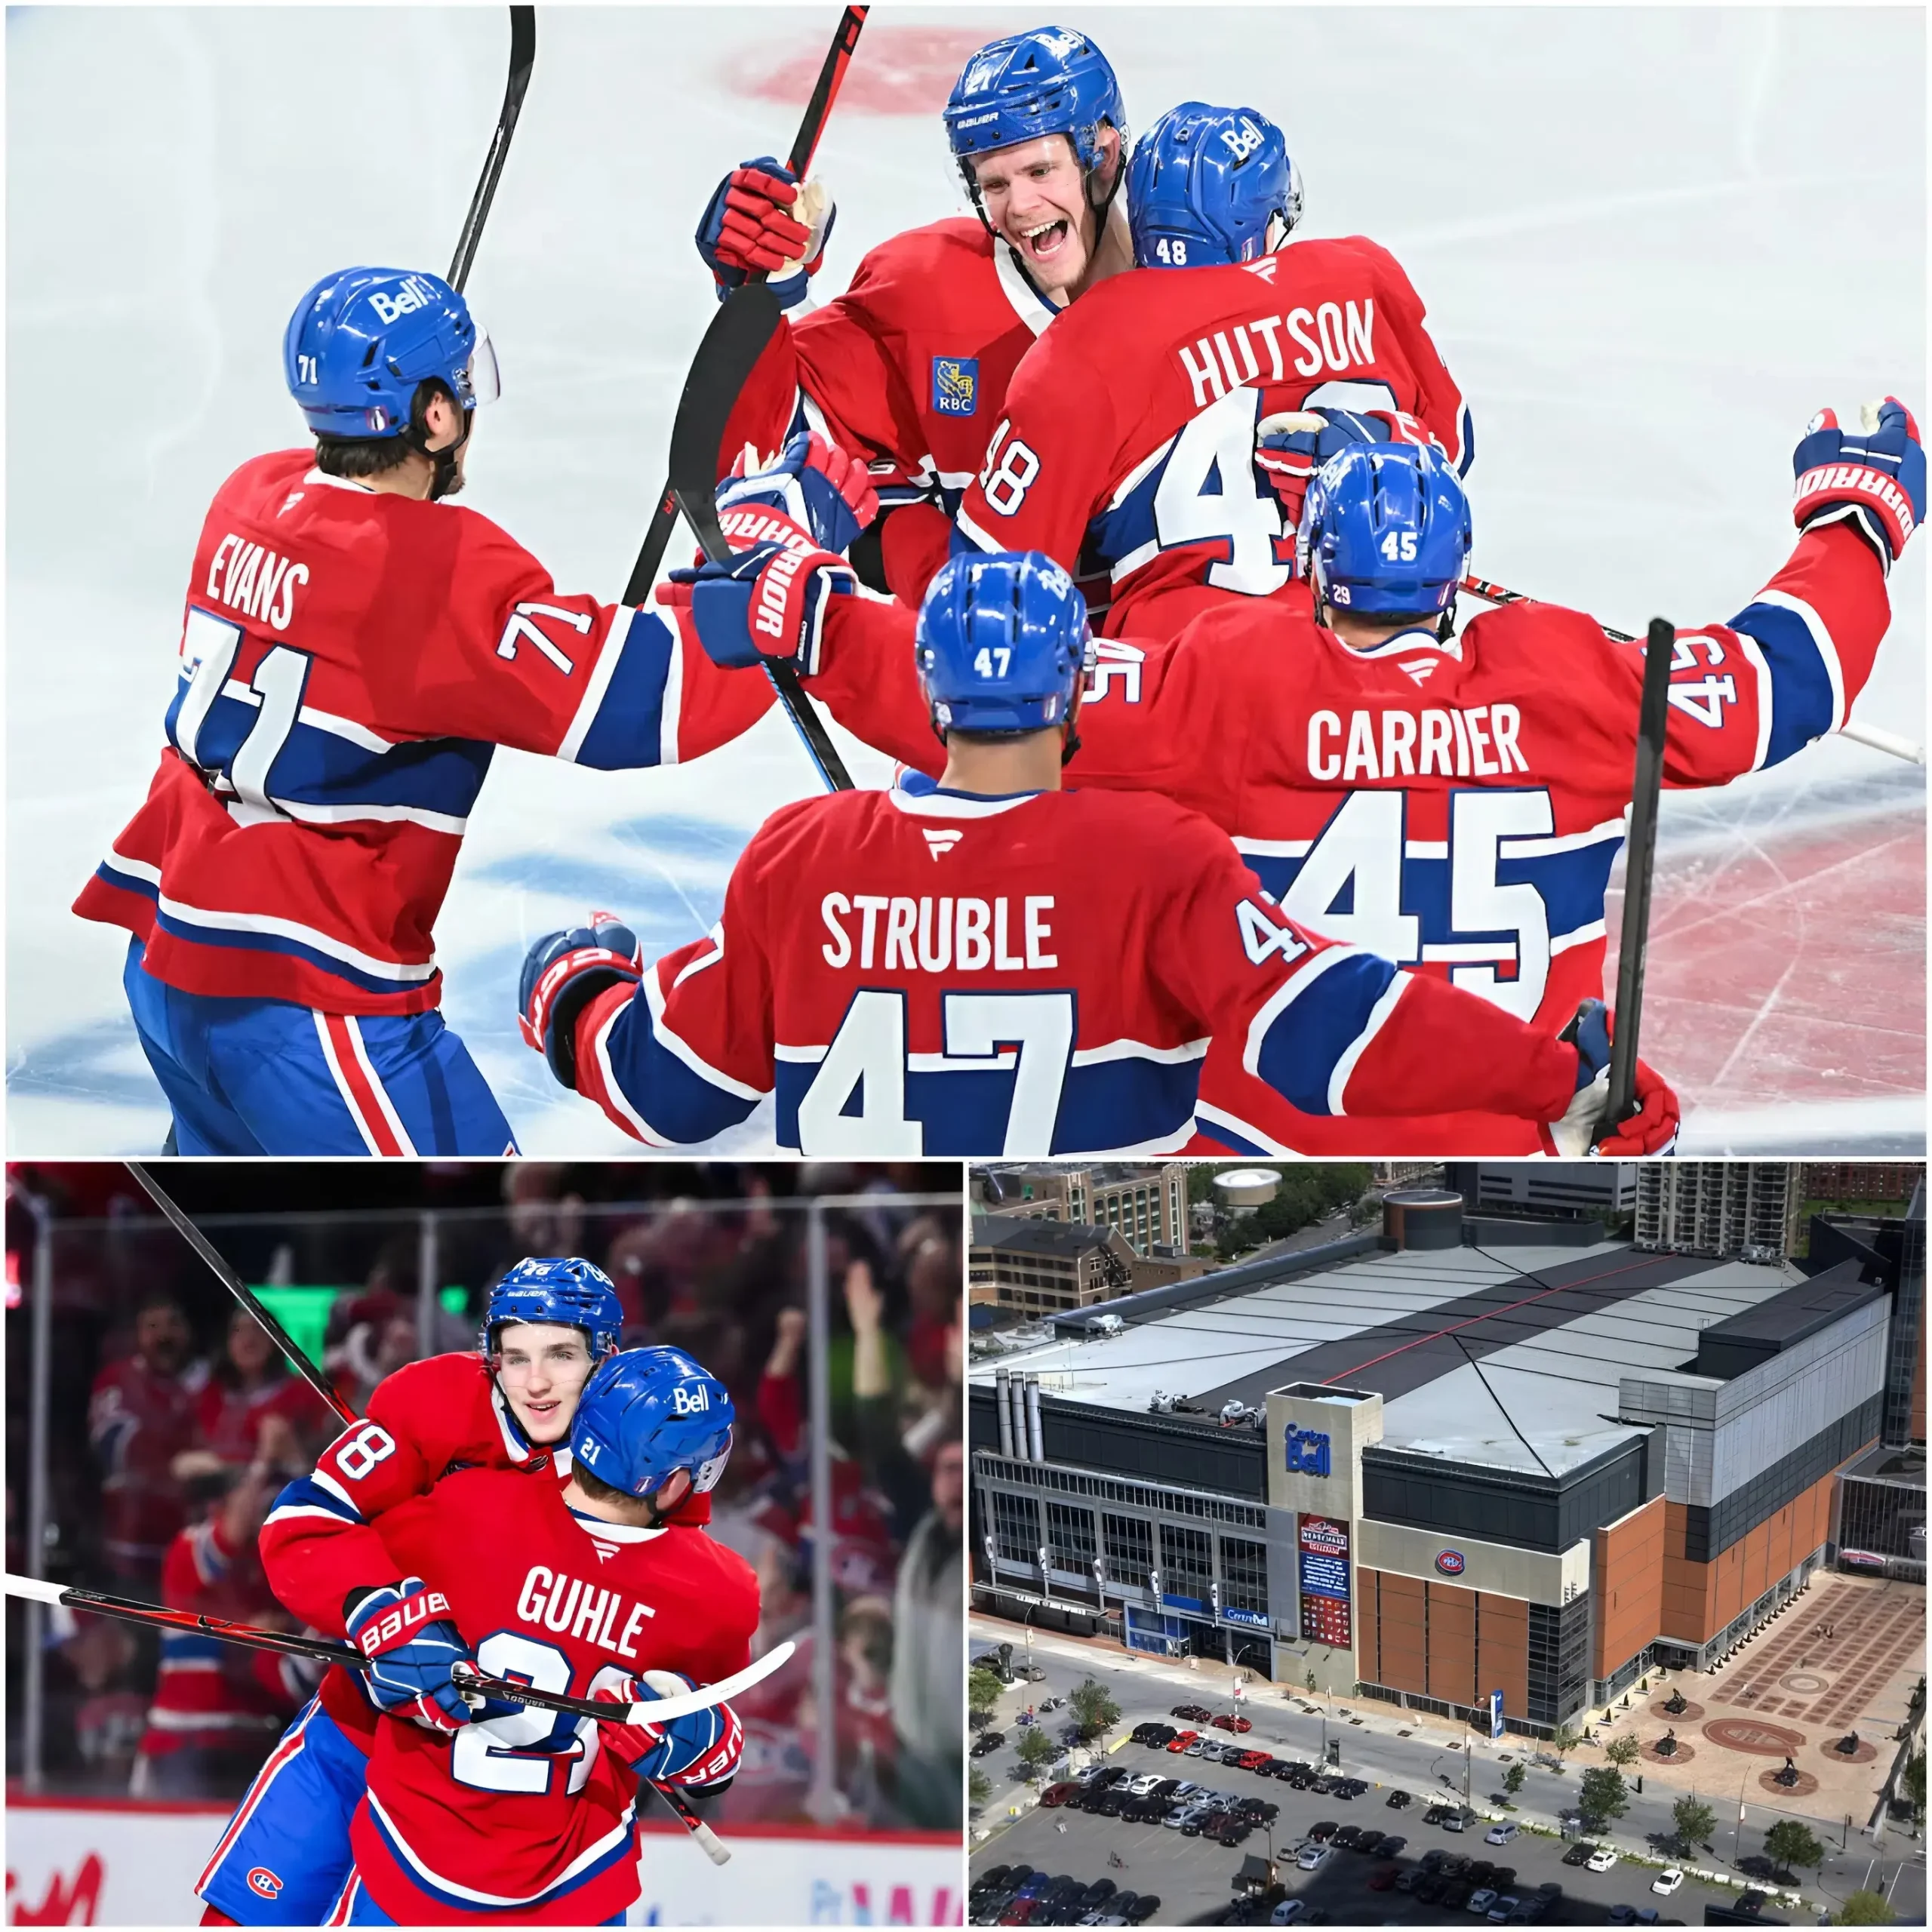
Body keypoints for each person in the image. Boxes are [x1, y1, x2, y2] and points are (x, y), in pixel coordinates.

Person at [719, 399, 1919, 1150]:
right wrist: (1854, 520)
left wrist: (806, 598)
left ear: (1309, 559)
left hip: (1264, 1128)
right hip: (1518, 1118)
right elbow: (1783, 681)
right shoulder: (1575, 675)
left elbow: (1014, 673)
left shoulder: (1234, 679)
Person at [515, 548, 1672, 1155]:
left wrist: (575, 992)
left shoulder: (802, 856)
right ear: (1081, 689)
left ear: (930, 688)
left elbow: (666, 1093)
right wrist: (1562, 1076)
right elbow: (1331, 1027)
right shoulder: (1154, 859)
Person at [71, 266, 773, 1156]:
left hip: (166, 959)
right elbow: (657, 700)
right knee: (477, 1228)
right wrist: (778, 551)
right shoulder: (437, 570)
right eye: (462, 387)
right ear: (435, 415)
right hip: (313, 1004)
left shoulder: (249, 494)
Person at [195, 1258, 626, 1925]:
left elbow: (666, 1619)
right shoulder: (438, 1399)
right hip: (358, 1735)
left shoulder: (639, 1458)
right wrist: (381, 1609)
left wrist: (675, 1717)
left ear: (608, 1357)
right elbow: (307, 1521)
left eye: (562, 1355)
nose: (535, 1382)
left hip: (499, 1808)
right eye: (515, 1356)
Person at [946, 100, 1472, 638]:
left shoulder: (1084, 342)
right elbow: (1453, 449)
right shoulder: (1359, 278)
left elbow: (986, 584)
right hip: (1349, 657)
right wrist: (1382, 448)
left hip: (1169, 667)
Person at [701, 26, 1137, 609]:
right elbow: (762, 463)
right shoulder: (928, 294)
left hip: (1181, 657)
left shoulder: (1203, 267)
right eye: (995, 183)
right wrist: (761, 296)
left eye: (1039, 172)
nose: (1020, 206)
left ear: (1102, 157)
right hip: (991, 664)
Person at [325, 1346, 756, 1924]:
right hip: (579, 1890)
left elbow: (343, 1569)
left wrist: (384, 1639)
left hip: (410, 1863)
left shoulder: (465, 1504)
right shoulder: (719, 1589)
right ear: (676, 1484)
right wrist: (699, 1744)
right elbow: (713, 1760)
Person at [134, 1467, 306, 1799]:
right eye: (249, 1496)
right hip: (186, 1741)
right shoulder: (188, 1547)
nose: (260, 1506)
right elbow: (231, 1533)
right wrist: (263, 1464)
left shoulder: (268, 1566)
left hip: (253, 1742)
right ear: (218, 1506)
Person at [89, 1293, 208, 1585]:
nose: (164, 1335)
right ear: (138, 1334)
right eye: (153, 1326)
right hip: (129, 1547)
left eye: (173, 1324)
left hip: (193, 1550)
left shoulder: (208, 1384)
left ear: (189, 1331)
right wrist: (179, 1457)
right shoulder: (118, 1379)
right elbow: (114, 1447)